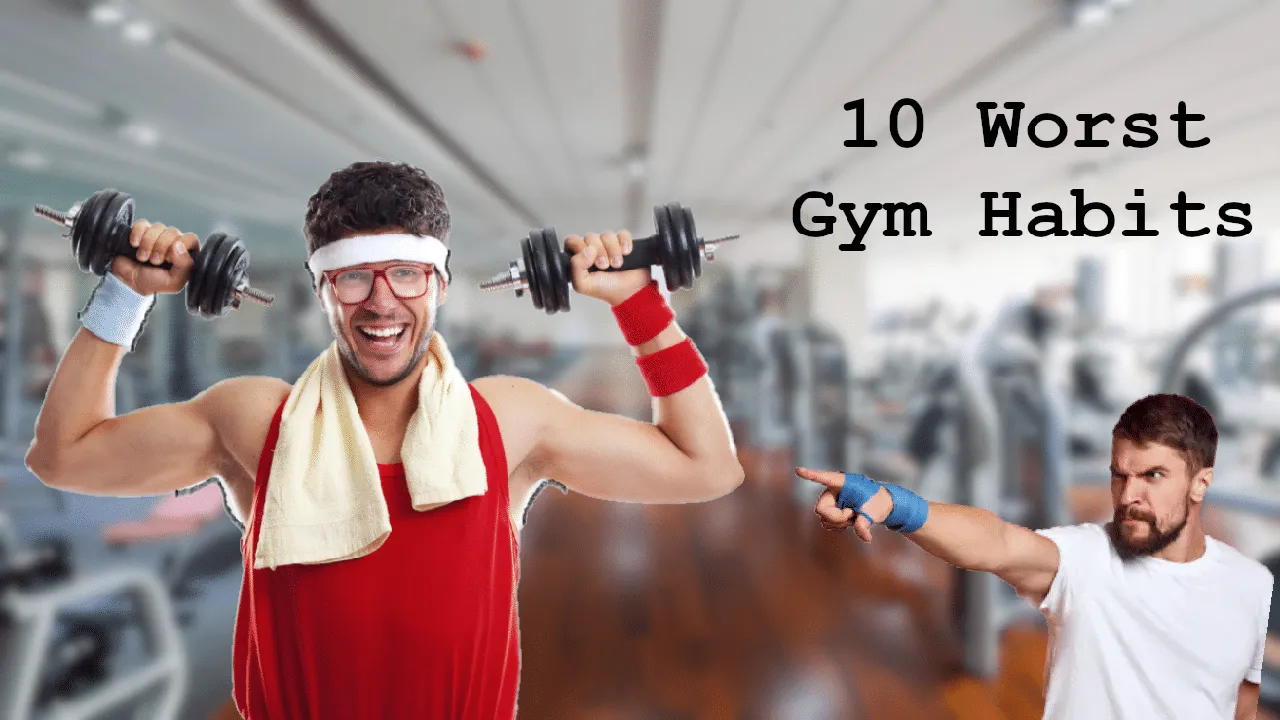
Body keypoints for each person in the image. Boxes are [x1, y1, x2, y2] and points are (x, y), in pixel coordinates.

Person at [25, 161, 744, 719]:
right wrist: (126, 292)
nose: (381, 300)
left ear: (439, 285)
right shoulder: (254, 419)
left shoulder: (511, 419)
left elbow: (705, 467)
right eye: (353, 278)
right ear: (322, 290)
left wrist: (640, 304)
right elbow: (64, 455)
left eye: (406, 274)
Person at [800, 392, 1273, 720]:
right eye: (1119, 475)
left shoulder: (1251, 584)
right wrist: (892, 504)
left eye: (1152, 476)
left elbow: (1240, 704)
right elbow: (998, 542)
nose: (1128, 495)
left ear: (1200, 483)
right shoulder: (1089, 558)